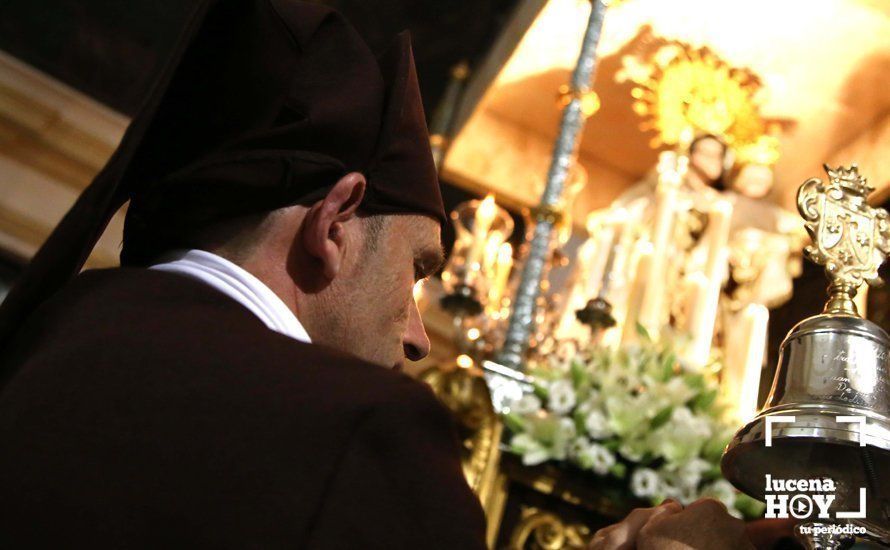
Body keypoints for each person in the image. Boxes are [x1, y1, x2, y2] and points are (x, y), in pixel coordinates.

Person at [0, 0, 754, 547]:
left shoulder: (42, 342)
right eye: (418, 269)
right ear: (333, 224)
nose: (422, 338)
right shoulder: (355, 425)